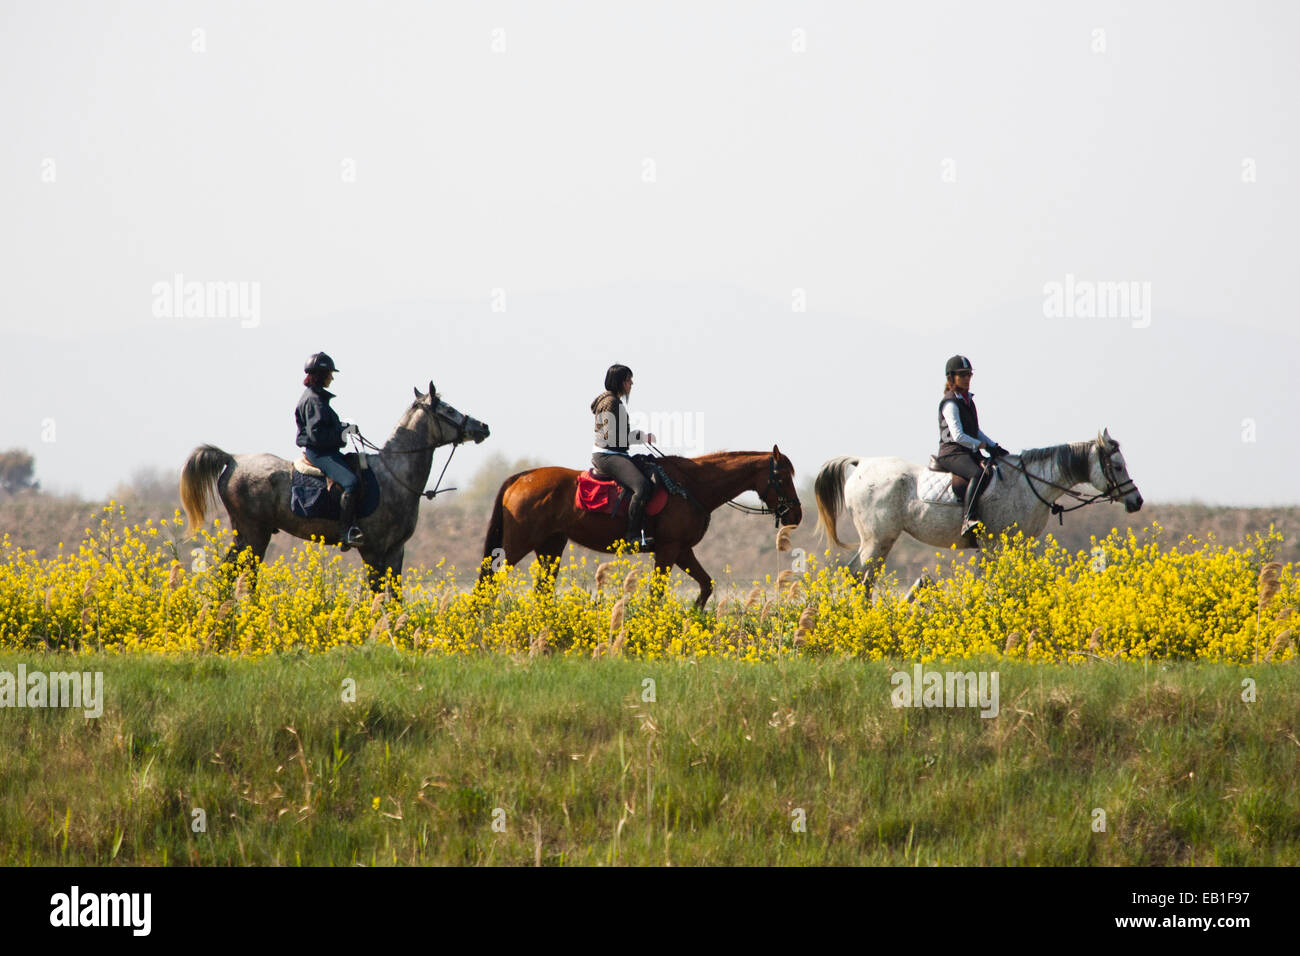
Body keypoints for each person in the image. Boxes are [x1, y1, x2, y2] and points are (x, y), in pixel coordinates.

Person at [934, 354, 1009, 541]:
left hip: (966, 451)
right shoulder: (950, 403)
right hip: (951, 453)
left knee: (993, 470)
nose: (967, 378)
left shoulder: (968, 401)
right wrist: (980, 445)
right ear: (951, 378)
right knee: (978, 473)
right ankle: (968, 519)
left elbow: (975, 431)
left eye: (969, 374)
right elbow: (958, 435)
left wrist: (994, 446)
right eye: (962, 375)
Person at [295, 352, 365, 548]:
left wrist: (344, 427)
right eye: (329, 374)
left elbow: (324, 428)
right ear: (321, 375)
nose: (332, 378)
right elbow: (318, 436)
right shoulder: (313, 401)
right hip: (320, 453)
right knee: (351, 483)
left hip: (326, 451)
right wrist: (343, 431)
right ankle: (346, 532)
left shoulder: (317, 398)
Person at [591, 363, 657, 550]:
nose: (631, 383)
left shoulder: (613, 401)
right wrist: (638, 437)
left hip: (613, 452)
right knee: (642, 486)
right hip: (608, 455)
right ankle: (632, 536)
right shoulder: (611, 402)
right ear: (619, 381)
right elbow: (611, 436)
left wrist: (640, 437)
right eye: (628, 379)